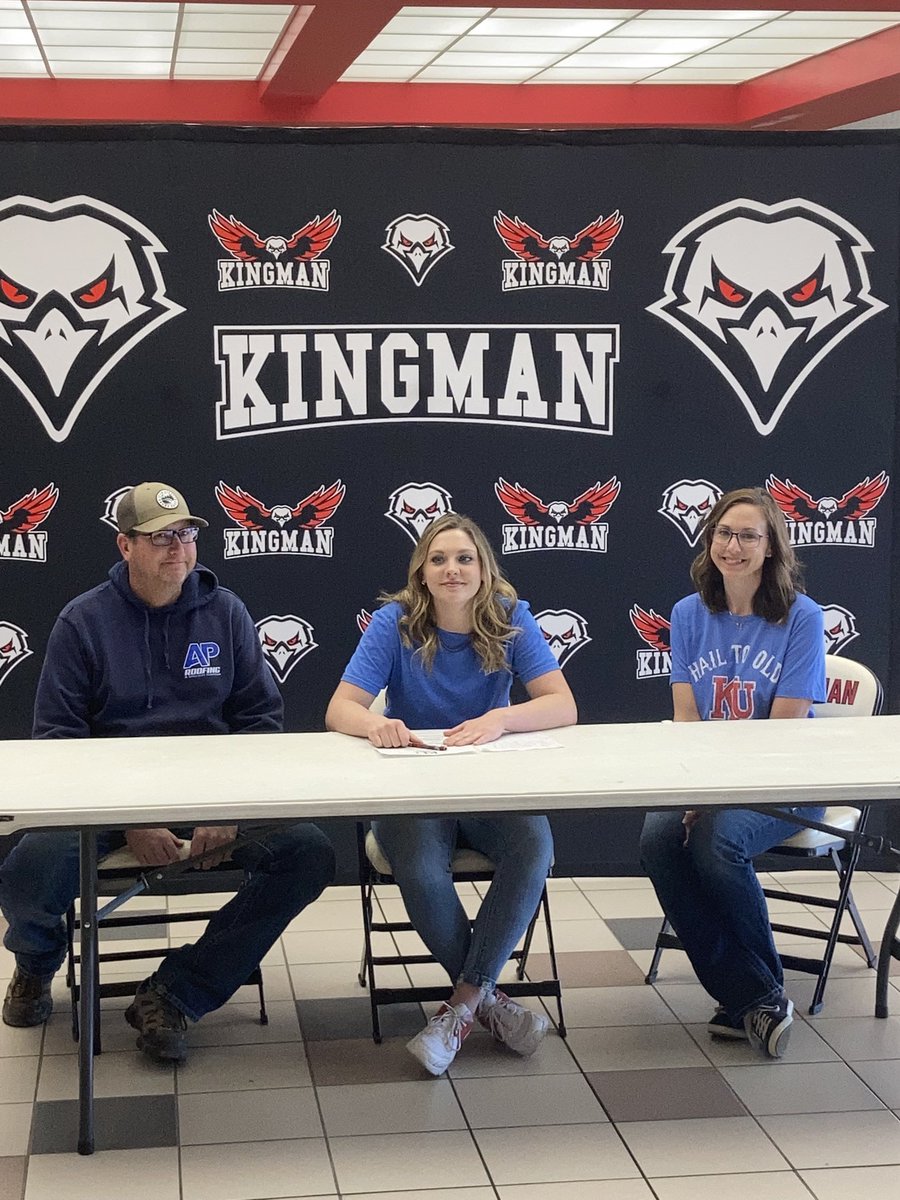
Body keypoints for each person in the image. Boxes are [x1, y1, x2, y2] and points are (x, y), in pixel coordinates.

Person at [0, 481, 335, 1064]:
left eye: (185, 534)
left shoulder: (225, 611)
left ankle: (177, 992)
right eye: (159, 538)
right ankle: (35, 960)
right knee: (27, 871)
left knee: (308, 852)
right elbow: (57, 742)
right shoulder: (83, 622)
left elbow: (260, 723)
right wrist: (130, 819)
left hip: (210, 795)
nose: (177, 548)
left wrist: (226, 812)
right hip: (105, 802)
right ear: (125, 546)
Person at [325, 512, 577, 1075]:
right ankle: (487, 1001)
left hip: (487, 784)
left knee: (533, 847)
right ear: (422, 572)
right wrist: (374, 725)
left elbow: (562, 704)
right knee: (417, 863)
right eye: (438, 559)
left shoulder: (512, 617)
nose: (452, 569)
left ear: (485, 569)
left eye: (464, 558)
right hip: (416, 786)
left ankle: (463, 1004)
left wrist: (502, 719)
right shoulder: (394, 622)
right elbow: (339, 708)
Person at [640, 486, 826, 1059]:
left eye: (749, 535)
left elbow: (784, 729)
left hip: (787, 782)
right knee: (658, 839)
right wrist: (698, 791)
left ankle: (752, 995)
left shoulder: (802, 616)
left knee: (717, 843)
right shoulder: (689, 613)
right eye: (724, 533)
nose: (734, 545)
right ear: (709, 540)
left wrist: (714, 798)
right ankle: (757, 994)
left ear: (771, 547)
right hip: (708, 779)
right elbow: (686, 714)